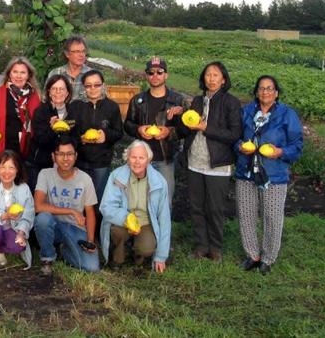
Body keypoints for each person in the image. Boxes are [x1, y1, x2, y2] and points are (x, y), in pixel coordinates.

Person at [235, 75, 302, 275]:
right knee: (245, 214)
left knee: (272, 217)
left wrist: (280, 152)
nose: (265, 92)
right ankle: (252, 255)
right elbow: (235, 137)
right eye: (262, 88)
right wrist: (240, 146)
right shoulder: (246, 111)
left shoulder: (286, 114)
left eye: (270, 88)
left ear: (276, 92)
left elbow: (297, 145)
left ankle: (268, 258)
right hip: (246, 171)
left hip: (273, 173)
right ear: (256, 92)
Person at [178, 62, 242, 262]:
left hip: (218, 163)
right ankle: (201, 245)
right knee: (197, 206)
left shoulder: (231, 102)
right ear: (203, 78)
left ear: (223, 80)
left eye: (216, 75)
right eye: (208, 75)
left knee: (215, 208)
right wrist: (181, 118)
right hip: (195, 160)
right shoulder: (197, 100)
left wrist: (206, 128)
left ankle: (215, 247)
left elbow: (234, 134)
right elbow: (188, 128)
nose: (211, 79)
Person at [124, 56, 186, 210]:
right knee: (138, 201)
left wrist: (169, 132)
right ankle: (142, 233)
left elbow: (186, 129)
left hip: (164, 159)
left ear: (166, 75)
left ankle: (162, 233)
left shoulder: (177, 100)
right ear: (146, 75)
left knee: (164, 202)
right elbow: (128, 125)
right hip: (141, 161)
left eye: (160, 72)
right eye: (151, 73)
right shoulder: (138, 100)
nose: (155, 76)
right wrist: (138, 129)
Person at [100, 140, 171, 273]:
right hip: (123, 220)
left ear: (148, 160)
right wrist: (126, 219)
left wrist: (161, 256)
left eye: (141, 158)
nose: (137, 161)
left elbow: (164, 218)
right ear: (128, 159)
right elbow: (106, 206)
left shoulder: (159, 182)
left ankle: (137, 254)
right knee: (117, 232)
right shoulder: (116, 176)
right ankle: (117, 258)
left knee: (147, 248)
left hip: (145, 222)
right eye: (133, 157)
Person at [34, 137, 100, 275]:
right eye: (61, 154)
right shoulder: (45, 174)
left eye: (70, 154)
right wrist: (72, 211)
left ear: (76, 156)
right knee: (43, 219)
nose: (65, 158)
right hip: (54, 226)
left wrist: (90, 241)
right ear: (53, 156)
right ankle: (47, 258)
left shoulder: (85, 179)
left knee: (91, 268)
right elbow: (38, 206)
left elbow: (90, 213)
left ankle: (64, 250)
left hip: (75, 229)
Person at [75, 69, 124, 239]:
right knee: (80, 199)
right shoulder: (77, 106)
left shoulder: (111, 107)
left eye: (96, 85)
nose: (93, 89)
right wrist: (80, 139)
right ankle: (79, 233)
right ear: (84, 88)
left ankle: (96, 236)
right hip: (80, 161)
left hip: (101, 162)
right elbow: (69, 132)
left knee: (98, 199)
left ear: (102, 85)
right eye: (88, 86)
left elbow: (119, 132)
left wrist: (106, 136)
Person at [0, 56, 41, 177]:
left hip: (23, 150)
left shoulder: (34, 96)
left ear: (28, 75)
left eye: (22, 72)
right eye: (15, 72)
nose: (18, 76)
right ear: (9, 74)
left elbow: (38, 121)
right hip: (0, 146)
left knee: (18, 184)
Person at [27, 74, 79, 191]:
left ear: (67, 93)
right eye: (54, 89)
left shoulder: (73, 112)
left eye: (61, 89)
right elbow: (40, 140)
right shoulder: (41, 111)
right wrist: (52, 129)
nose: (58, 92)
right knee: (40, 199)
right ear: (49, 92)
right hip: (40, 164)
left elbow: (76, 138)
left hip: (66, 164)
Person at [45, 35, 92, 102]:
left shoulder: (92, 75)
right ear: (67, 54)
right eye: (77, 51)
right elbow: (46, 99)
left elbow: (101, 102)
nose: (81, 55)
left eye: (83, 51)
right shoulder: (55, 73)